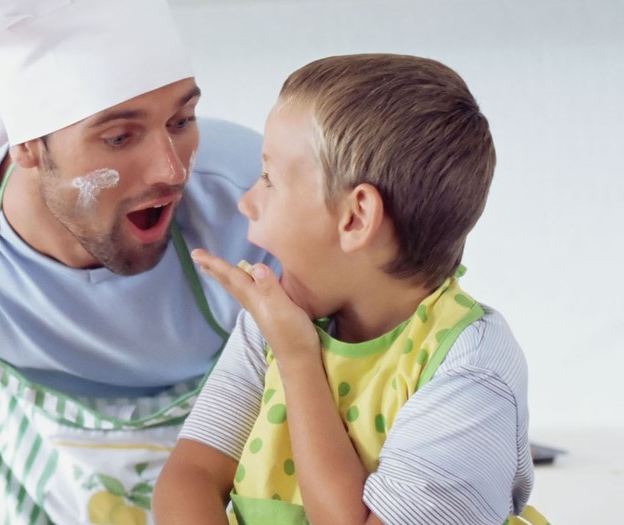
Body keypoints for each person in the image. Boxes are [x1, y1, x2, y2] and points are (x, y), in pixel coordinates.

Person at [0, 0, 273, 522]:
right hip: (27, 487)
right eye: (119, 137)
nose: (170, 169)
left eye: (182, 120)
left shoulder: (256, 200)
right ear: (27, 144)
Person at [155, 53, 548, 525]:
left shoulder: (471, 370)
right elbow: (190, 475)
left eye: (269, 179)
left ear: (355, 218)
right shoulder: (271, 325)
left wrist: (299, 361)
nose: (246, 201)